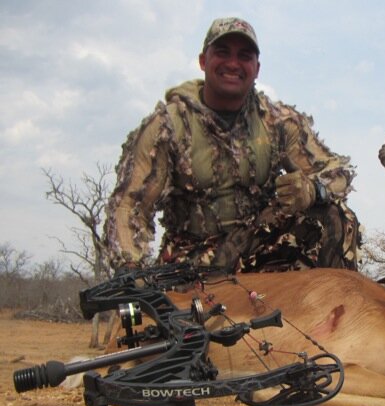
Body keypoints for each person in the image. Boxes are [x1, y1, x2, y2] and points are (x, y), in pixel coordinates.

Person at [105, 17, 360, 274]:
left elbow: (337, 172)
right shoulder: (167, 125)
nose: (232, 64)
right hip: (192, 261)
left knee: (336, 215)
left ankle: (340, 310)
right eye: (223, 53)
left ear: (256, 68)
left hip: (258, 245)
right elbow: (129, 205)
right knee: (129, 297)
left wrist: (313, 189)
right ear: (203, 61)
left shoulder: (277, 121)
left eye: (244, 56)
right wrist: (130, 266)